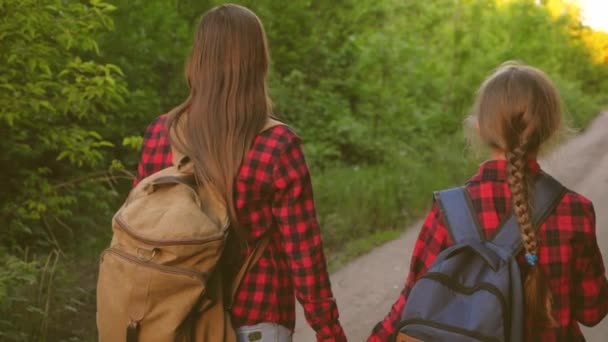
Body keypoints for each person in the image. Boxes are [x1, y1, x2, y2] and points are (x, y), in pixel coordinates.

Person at [133, 4, 346, 342]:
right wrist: (329, 330)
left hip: (173, 318)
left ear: (198, 60)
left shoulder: (161, 133)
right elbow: (304, 255)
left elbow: (141, 232)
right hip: (255, 319)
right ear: (257, 62)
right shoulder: (277, 144)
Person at [368, 61, 608, 341]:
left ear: (480, 128)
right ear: (551, 127)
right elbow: (593, 311)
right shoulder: (574, 211)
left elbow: (412, 299)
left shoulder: (450, 211)